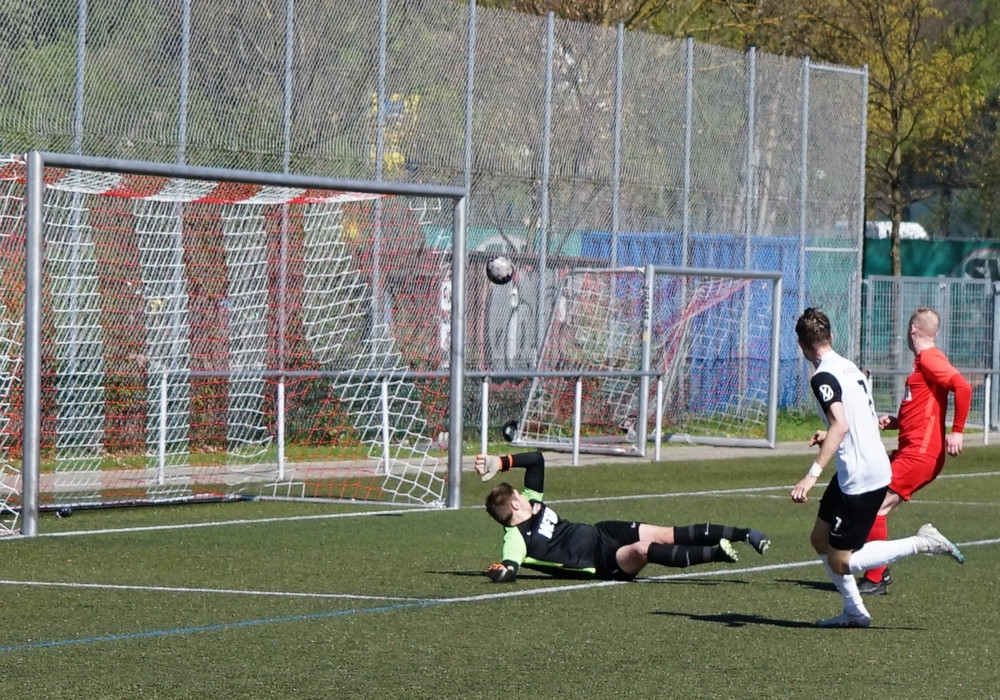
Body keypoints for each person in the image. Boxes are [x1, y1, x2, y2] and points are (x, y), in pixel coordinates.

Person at [792, 307, 965, 628]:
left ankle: (922, 543)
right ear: (831, 336)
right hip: (858, 467)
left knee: (840, 561)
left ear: (801, 345)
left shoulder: (821, 376)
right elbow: (860, 419)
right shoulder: (850, 368)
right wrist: (828, 435)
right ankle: (855, 613)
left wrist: (811, 475)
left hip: (861, 476)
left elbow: (841, 424)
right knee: (819, 538)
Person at [474, 450, 770, 583]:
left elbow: (536, 460)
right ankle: (716, 553)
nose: (525, 495)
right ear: (515, 506)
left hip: (604, 531)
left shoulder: (533, 501)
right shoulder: (515, 538)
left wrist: (500, 461)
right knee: (644, 549)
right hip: (602, 561)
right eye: (519, 495)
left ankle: (745, 534)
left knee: (667, 533)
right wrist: (501, 572)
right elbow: (510, 566)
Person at [858, 307, 972, 595]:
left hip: (920, 454)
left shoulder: (930, 358)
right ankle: (878, 571)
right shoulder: (924, 362)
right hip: (912, 449)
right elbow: (926, 407)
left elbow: (963, 387)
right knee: (870, 499)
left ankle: (876, 577)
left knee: (875, 506)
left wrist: (957, 430)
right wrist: (898, 422)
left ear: (912, 330)